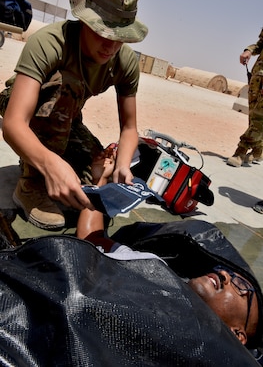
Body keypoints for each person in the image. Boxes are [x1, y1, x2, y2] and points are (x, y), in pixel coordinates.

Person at [1, 0, 148, 230]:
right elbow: (13, 124)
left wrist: (122, 167)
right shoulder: (50, 42)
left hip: (66, 117)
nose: (111, 45)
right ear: (84, 21)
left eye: (120, 36)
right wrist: (49, 165)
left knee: (97, 172)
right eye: (103, 32)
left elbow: (129, 128)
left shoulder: (125, 62)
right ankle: (30, 182)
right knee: (67, 85)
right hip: (25, 106)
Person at [76, 147, 261, 349]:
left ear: (237, 335)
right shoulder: (153, 271)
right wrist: (100, 181)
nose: (225, 274)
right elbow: (93, 242)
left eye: (242, 288)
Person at [227, 27, 263, 167]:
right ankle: (258, 150)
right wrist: (249, 51)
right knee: (254, 116)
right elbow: (261, 43)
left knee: (260, 117)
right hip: (257, 76)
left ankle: (241, 151)